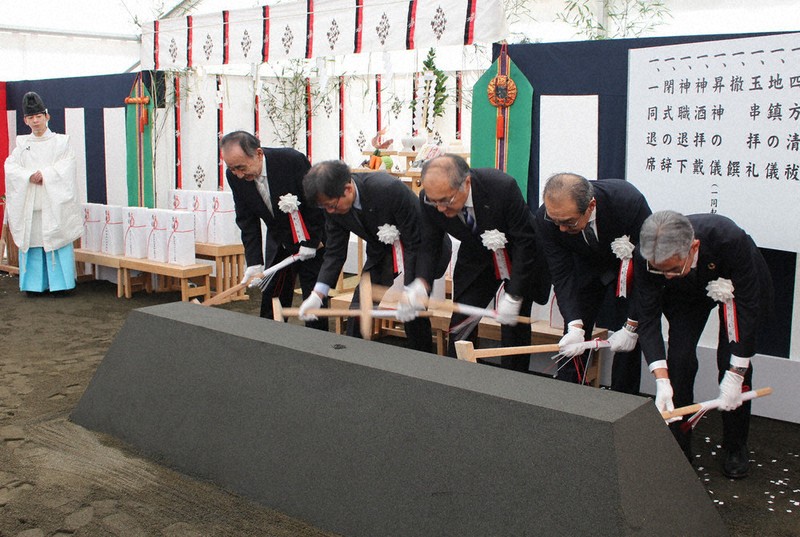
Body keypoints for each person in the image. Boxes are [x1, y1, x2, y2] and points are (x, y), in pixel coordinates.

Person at [634, 210, 773, 479]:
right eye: (659, 269)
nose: (667, 276)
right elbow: (648, 319)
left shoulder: (728, 238)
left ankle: (735, 447)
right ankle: (679, 444)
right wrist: (661, 380)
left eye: (673, 268)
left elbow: (748, 308)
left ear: (693, 247)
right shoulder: (648, 255)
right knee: (679, 359)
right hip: (687, 296)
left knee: (729, 361)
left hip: (737, 291)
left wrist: (736, 373)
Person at [401, 154, 549, 370]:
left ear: (466, 183)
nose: (440, 208)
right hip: (476, 257)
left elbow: (525, 243)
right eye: (435, 202)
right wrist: (421, 283)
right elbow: (429, 244)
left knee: (513, 321)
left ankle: (515, 382)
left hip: (518, 255)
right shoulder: (429, 199)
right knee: (462, 319)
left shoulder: (501, 187)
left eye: (446, 200)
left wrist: (515, 293)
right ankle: (460, 375)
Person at [299, 160, 439, 352]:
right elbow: (334, 252)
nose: (330, 212)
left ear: (348, 189)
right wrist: (318, 294)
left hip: (420, 250)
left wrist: (411, 287)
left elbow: (416, 242)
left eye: (331, 205)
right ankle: (353, 357)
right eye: (325, 208)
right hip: (381, 254)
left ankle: (425, 362)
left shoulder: (386, 189)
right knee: (359, 307)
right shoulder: (332, 207)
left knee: (413, 311)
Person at [536, 173, 651, 392]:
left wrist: (632, 325)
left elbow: (647, 268)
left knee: (628, 342)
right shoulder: (546, 217)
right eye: (555, 221)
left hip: (627, 270)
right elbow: (561, 273)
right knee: (574, 337)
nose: (560, 229)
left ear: (591, 206)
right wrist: (574, 324)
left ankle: (622, 401)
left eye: (569, 222)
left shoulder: (627, 201)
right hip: (584, 267)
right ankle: (567, 396)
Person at [221, 131, 327, 329]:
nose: (239, 174)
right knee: (273, 293)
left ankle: (319, 348)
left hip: (313, 234)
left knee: (314, 297)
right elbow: (246, 219)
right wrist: (254, 262)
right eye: (232, 168)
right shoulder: (234, 176)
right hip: (279, 236)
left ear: (259, 154)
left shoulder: (291, 161)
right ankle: (270, 340)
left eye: (241, 167)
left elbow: (315, 203)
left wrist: (312, 242)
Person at [4, 92, 83, 296]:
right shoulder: (22, 145)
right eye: (31, 118)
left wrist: (46, 174)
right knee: (33, 242)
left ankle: (62, 285)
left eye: (38, 116)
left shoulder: (61, 142)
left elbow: (67, 166)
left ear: (47, 116)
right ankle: (33, 285)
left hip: (53, 202)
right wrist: (29, 175)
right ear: (25, 120)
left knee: (56, 239)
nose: (35, 121)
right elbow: (10, 167)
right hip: (31, 204)